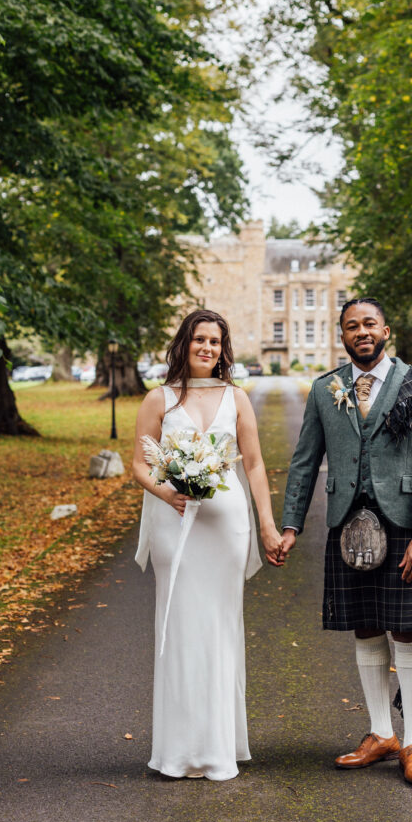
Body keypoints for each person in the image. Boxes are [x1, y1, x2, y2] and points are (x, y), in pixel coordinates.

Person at [279, 298, 412, 785]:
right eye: (351, 326)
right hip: (347, 525)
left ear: (387, 329)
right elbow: (304, 462)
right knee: (365, 627)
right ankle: (380, 733)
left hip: (406, 526)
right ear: (341, 335)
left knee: (406, 630)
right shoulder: (327, 389)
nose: (361, 332)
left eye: (369, 324)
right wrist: (290, 525)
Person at [133, 309, 283, 781]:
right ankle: (178, 750)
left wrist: (267, 525)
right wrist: (167, 493)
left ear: (224, 349)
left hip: (226, 529)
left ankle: (219, 746)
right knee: (179, 628)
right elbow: (139, 464)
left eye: (215, 342)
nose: (207, 348)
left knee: (219, 630)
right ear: (184, 343)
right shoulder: (158, 399)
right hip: (173, 526)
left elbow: (254, 465)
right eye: (199, 339)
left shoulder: (237, 398)